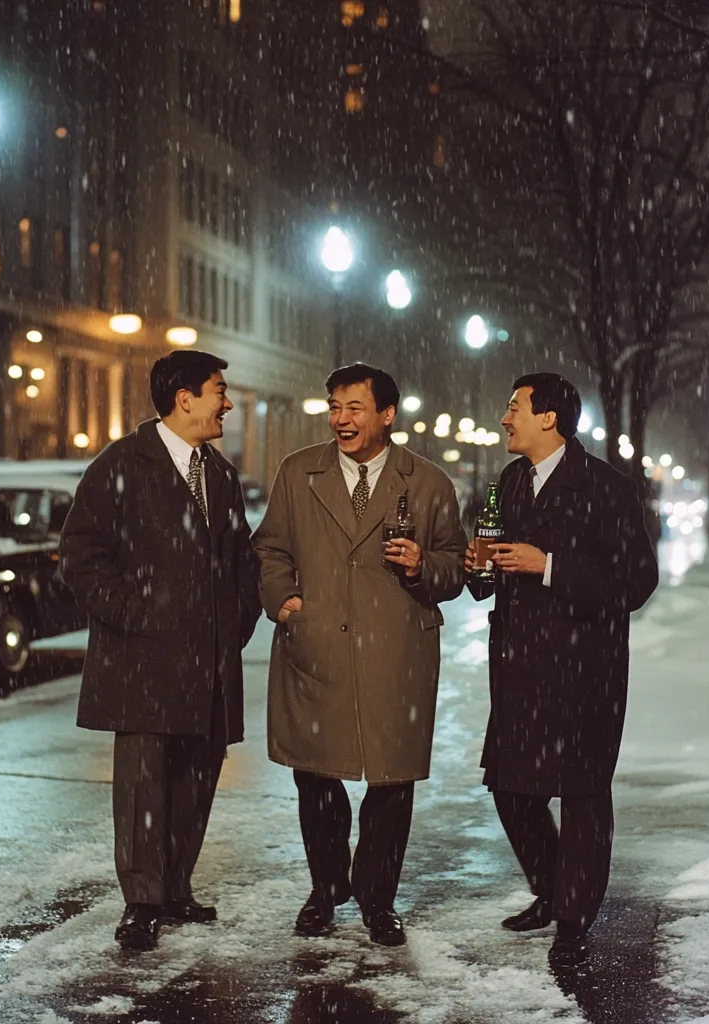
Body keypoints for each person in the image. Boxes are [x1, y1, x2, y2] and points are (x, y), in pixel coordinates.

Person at [254, 363, 465, 947]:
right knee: (316, 777)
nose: (341, 420)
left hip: (396, 654)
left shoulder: (428, 483)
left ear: (387, 415)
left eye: (355, 408)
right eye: (334, 407)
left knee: (391, 784)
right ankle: (325, 889)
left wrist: (424, 565)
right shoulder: (299, 473)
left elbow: (456, 565)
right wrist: (283, 600)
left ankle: (378, 900)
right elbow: (269, 548)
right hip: (316, 647)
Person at [59, 350, 261, 951]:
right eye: (219, 391)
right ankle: (142, 902)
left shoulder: (219, 474)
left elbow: (242, 562)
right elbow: (80, 557)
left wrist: (237, 620)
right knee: (143, 786)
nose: (227, 403)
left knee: (196, 779)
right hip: (143, 661)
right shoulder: (121, 464)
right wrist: (134, 613)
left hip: (209, 662)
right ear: (184, 398)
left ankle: (175, 888)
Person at [465, 372, 658, 966]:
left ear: (549, 418)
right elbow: (496, 568)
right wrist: (480, 566)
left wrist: (549, 566)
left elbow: (636, 582)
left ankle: (573, 914)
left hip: (584, 670)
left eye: (514, 407)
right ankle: (550, 889)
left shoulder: (608, 487)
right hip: (519, 666)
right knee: (510, 788)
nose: (505, 418)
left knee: (582, 795)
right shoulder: (510, 480)